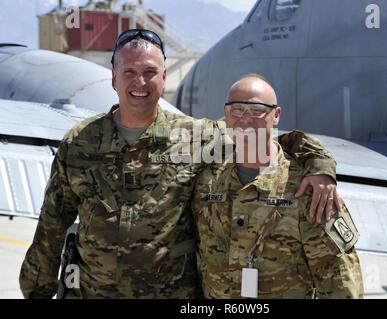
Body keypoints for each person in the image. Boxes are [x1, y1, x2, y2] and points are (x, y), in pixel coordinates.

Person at [19, 29, 339, 299]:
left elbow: (263, 137)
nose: (139, 83)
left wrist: (320, 165)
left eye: (149, 72)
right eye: (129, 72)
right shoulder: (80, 141)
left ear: (164, 77)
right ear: (114, 76)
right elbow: (52, 222)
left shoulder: (194, 137)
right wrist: (37, 289)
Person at [192, 75, 364, 299]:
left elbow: (340, 283)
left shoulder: (308, 189)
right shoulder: (207, 180)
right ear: (225, 115)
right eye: (237, 109)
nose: (245, 119)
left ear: (276, 115)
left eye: (257, 110)